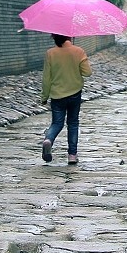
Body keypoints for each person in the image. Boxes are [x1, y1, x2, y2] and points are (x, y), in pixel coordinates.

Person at [41, 33, 92, 165]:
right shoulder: (78, 51)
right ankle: (72, 155)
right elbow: (87, 72)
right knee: (73, 123)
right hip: (74, 93)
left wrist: (44, 96)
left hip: (57, 95)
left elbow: (47, 78)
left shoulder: (50, 53)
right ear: (69, 37)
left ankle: (49, 140)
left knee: (57, 123)